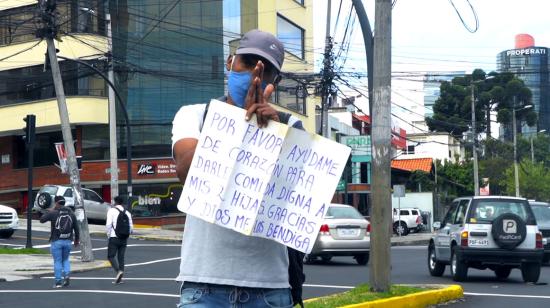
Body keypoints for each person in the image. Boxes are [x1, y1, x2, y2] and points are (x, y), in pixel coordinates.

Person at [172, 29, 303, 307]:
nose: (256, 76)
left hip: (269, 289)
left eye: (265, 71)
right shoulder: (194, 115)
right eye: (249, 63)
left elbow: (298, 201)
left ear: (275, 82)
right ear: (230, 63)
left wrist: (271, 134)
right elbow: (188, 173)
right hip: (203, 287)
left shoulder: (290, 128)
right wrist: (240, 125)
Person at [40, 195, 79, 288]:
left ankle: (58, 282)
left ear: (56, 203)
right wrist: (77, 240)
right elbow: (76, 228)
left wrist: (51, 210)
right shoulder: (71, 213)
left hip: (56, 240)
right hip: (68, 241)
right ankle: (66, 275)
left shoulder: (54, 213)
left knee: (57, 261)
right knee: (65, 260)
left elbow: (42, 220)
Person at [106, 196, 133, 284]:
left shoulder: (111, 211)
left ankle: (118, 272)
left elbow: (108, 225)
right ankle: (120, 278)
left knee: (111, 256)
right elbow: (131, 228)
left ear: (115, 202)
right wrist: (127, 234)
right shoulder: (127, 213)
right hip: (124, 238)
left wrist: (109, 235)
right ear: (122, 203)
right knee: (121, 257)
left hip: (114, 237)